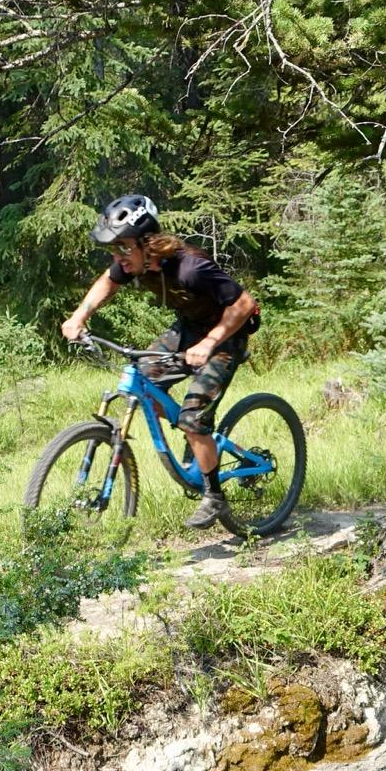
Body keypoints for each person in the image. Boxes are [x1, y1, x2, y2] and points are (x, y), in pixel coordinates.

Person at [59, 194, 260, 531]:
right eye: (114, 250)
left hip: (227, 335)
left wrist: (210, 342)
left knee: (193, 419)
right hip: (189, 329)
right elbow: (108, 282)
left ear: (148, 243)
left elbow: (244, 305)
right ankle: (196, 437)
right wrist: (79, 316)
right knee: (142, 383)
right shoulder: (134, 262)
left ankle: (214, 494)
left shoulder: (191, 268)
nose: (118, 257)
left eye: (123, 248)